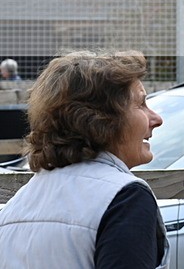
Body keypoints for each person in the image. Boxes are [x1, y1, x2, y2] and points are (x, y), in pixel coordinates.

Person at [0, 51, 168, 269]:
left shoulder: (15, 207)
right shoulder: (125, 198)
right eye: (141, 104)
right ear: (103, 119)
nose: (157, 119)